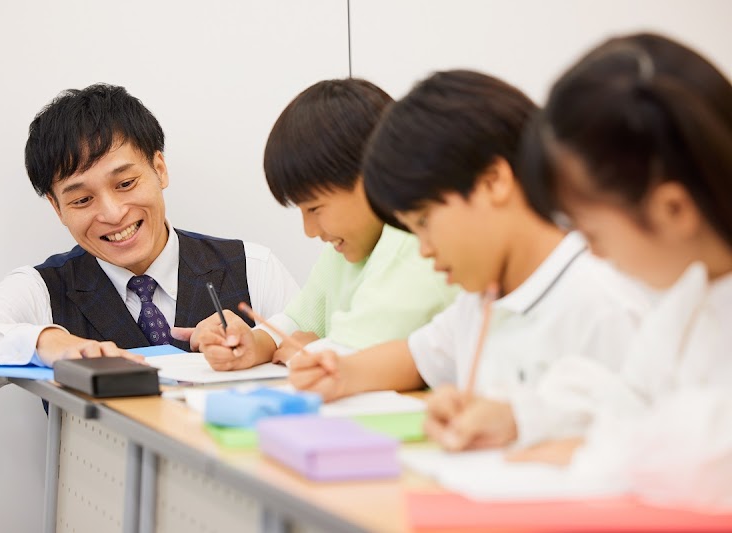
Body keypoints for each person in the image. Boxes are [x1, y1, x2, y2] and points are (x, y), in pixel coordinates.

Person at [289, 70, 646, 452]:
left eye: (425, 222)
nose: (423, 249)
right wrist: (342, 373)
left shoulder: (602, 298)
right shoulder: (481, 298)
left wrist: (518, 420)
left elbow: (643, 437)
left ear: (494, 182)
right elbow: (417, 356)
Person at [0, 83, 298, 401]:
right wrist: (47, 343)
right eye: (81, 200)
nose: (112, 212)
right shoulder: (42, 289)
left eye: (125, 183)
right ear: (57, 208)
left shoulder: (252, 265)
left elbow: (321, 352)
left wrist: (262, 345)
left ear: (159, 169)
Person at [508, 32, 732, 512]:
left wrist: (607, 455)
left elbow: (708, 456)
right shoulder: (691, 295)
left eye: (593, 233)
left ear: (673, 209)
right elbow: (630, 400)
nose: (594, 255)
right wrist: (521, 415)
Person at [183, 79, 457, 370]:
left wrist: (307, 349)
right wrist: (254, 344)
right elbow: (297, 320)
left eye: (314, 208)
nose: (310, 230)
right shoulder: (349, 247)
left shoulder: (413, 243)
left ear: (374, 175)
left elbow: (354, 350)